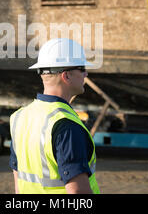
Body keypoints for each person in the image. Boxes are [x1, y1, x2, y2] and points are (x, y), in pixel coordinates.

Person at [9, 38, 100, 194]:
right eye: (82, 68)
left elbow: (18, 181)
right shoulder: (66, 125)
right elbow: (78, 192)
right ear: (67, 76)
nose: (86, 73)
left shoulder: (19, 117)